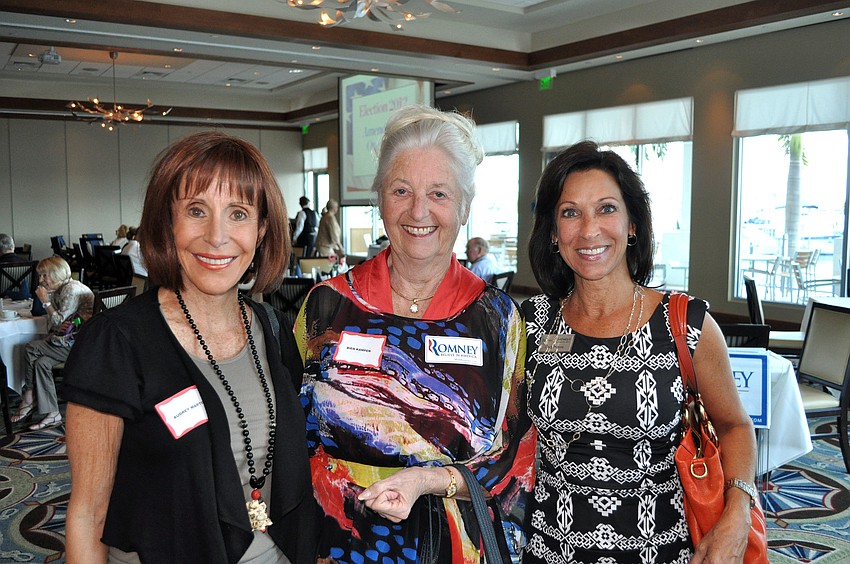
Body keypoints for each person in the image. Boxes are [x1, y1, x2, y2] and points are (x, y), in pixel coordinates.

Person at [295, 104, 536, 562]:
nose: (418, 211)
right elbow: (288, 430)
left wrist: (429, 480)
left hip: (456, 548)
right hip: (337, 545)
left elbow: (519, 454)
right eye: (401, 190)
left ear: (464, 208)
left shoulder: (497, 318)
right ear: (380, 199)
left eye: (439, 194)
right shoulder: (326, 306)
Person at [62, 131, 317, 563]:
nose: (216, 236)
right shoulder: (117, 343)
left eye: (238, 214)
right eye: (196, 211)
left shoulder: (273, 330)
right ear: (166, 224)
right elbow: (88, 515)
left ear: (261, 231)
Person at [521, 140, 757, 563]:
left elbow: (736, 426)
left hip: (661, 549)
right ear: (554, 233)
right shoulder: (531, 323)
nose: (589, 229)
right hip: (551, 549)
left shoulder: (686, 324)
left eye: (607, 208)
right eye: (570, 212)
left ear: (633, 225)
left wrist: (738, 512)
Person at [12, 256, 94, 430]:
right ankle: (53, 414)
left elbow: (57, 323)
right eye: (40, 276)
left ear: (56, 274)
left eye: (44, 276)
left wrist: (46, 302)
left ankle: (28, 394)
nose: (41, 280)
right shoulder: (62, 289)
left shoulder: (71, 290)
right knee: (41, 363)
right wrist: (56, 317)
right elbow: (54, 325)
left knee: (31, 347)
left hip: (81, 345)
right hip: (69, 341)